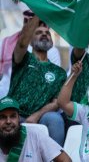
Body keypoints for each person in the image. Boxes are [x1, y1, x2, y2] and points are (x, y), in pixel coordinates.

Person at [7, 16, 66, 146]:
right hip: (14, 114)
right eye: (38, 33)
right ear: (31, 41)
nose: (44, 35)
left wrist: (36, 116)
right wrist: (39, 13)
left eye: (47, 33)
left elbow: (56, 103)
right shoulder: (23, 59)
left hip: (41, 117)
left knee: (55, 119)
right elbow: (22, 43)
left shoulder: (59, 73)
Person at [0, 97, 71, 161]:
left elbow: (65, 160)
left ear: (19, 118)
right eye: (2, 117)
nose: (8, 121)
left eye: (13, 116)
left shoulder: (35, 135)